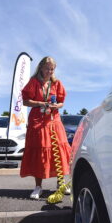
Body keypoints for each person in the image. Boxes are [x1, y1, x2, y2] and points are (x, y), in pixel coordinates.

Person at [20, 56, 71, 199]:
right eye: (47, 68)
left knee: (59, 151)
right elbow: (25, 101)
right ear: (41, 67)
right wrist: (41, 103)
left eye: (52, 69)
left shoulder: (57, 83)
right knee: (40, 151)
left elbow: (61, 102)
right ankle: (38, 187)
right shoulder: (33, 82)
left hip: (54, 120)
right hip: (38, 121)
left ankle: (61, 184)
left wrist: (56, 105)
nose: (50, 71)